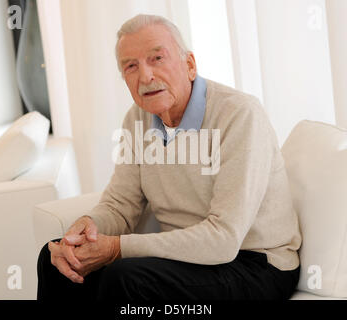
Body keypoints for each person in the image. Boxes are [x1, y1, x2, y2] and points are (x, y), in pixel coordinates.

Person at [37, 14, 302, 301]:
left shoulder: (240, 115)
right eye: (131, 66)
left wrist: (117, 247)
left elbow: (223, 240)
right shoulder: (137, 119)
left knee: (126, 278)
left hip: (255, 263)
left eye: (157, 59)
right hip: (184, 258)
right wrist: (86, 229)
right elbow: (120, 205)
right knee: (56, 261)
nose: (146, 76)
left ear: (189, 65)